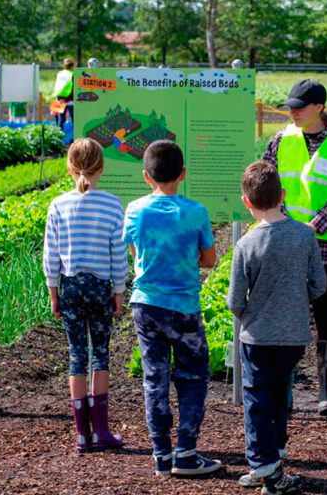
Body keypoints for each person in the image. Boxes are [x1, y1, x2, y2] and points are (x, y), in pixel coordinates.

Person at [123, 140, 222, 477]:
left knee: (155, 378)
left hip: (146, 305)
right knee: (193, 377)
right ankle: (187, 452)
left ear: (145, 176)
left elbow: (136, 254)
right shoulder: (195, 211)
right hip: (184, 307)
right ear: (183, 174)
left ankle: (161, 454)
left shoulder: (135, 210)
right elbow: (209, 260)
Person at [227, 161, 326, 495]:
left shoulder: (246, 245)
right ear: (283, 195)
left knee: (256, 398)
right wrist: (298, 299)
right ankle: (275, 456)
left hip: (257, 335)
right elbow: (320, 285)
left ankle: (265, 466)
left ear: (247, 202)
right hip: (294, 334)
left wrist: (250, 314)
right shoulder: (304, 235)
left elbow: (234, 300)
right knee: (281, 393)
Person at [262, 79, 327, 416]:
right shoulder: (279, 140)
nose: (293, 112)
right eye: (290, 107)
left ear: (319, 107)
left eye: (299, 107)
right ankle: (284, 388)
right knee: (288, 314)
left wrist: (313, 226)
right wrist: (288, 224)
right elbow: (266, 183)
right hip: (286, 240)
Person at [43, 138, 127, 453]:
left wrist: (54, 292)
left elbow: (51, 255)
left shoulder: (58, 205)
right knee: (100, 354)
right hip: (99, 286)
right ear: (101, 168)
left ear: (69, 168)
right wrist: (119, 290)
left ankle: (81, 434)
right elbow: (118, 253)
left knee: (76, 355)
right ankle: (101, 432)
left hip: (70, 286)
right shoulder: (111, 204)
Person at [52, 58, 75, 129]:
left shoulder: (60, 73)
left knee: (59, 120)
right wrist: (66, 99)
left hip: (59, 99)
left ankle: (58, 138)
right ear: (73, 65)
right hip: (70, 100)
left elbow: (57, 86)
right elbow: (74, 87)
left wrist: (58, 98)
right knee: (75, 120)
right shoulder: (73, 73)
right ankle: (77, 138)